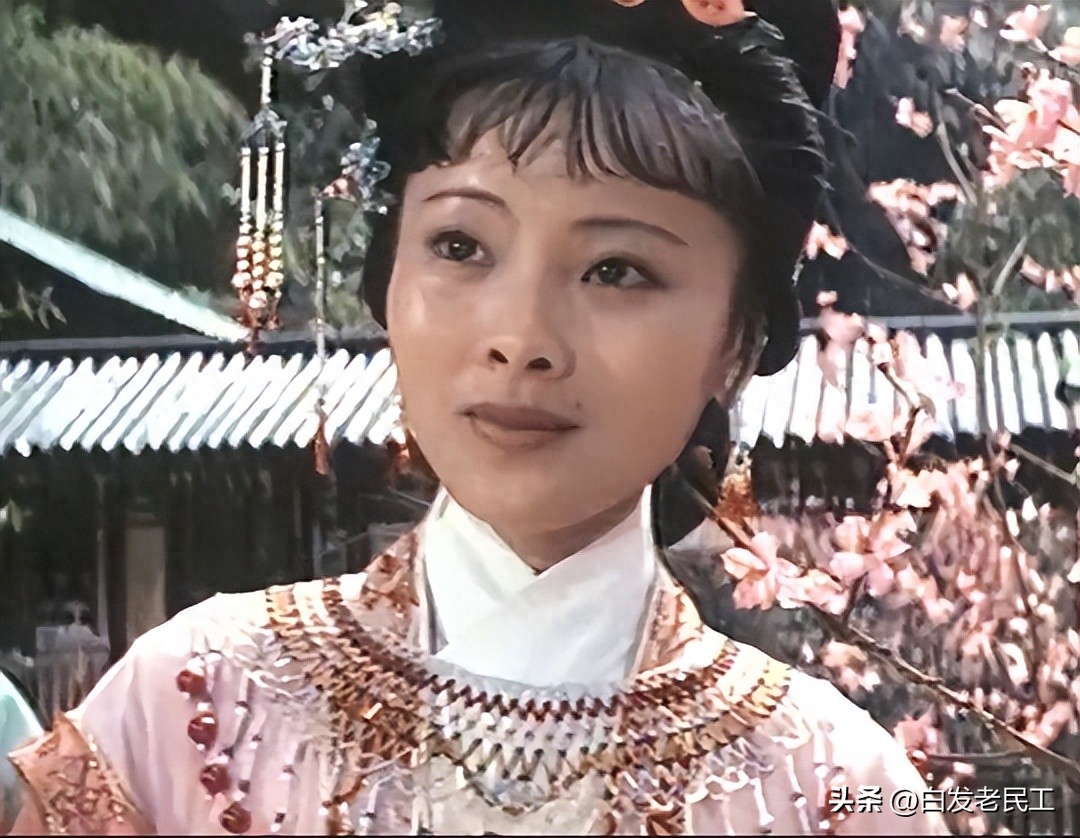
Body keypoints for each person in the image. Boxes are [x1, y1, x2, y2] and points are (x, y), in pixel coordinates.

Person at [8, 1, 950, 833]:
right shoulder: (184, 708)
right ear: (388, 283)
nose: (521, 338)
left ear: (735, 344)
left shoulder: (840, 788)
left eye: (617, 270)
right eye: (460, 246)